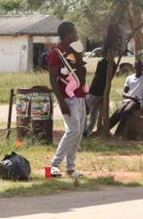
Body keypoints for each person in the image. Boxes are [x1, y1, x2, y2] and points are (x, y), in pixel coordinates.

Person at [48, 22, 87, 178]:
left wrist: (85, 99)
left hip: (79, 96)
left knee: (78, 133)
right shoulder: (56, 53)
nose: (77, 35)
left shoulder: (74, 52)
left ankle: (70, 167)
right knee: (73, 130)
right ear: (68, 34)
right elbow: (53, 79)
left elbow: (80, 75)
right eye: (75, 32)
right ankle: (54, 164)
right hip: (67, 98)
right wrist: (62, 101)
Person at [109, 59, 143, 135]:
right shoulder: (129, 78)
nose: (139, 68)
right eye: (137, 67)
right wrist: (131, 97)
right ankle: (105, 129)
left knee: (126, 111)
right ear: (134, 68)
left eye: (141, 67)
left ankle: (118, 133)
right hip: (129, 99)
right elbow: (123, 93)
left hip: (138, 100)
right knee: (118, 111)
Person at [84, 56, 114, 137]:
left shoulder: (102, 62)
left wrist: (91, 89)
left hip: (95, 90)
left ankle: (85, 130)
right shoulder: (113, 63)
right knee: (94, 111)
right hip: (103, 91)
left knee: (84, 109)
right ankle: (89, 129)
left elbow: (97, 76)